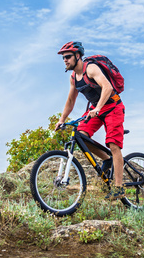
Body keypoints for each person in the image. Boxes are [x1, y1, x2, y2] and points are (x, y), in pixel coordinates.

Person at [54, 41, 126, 200]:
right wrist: (62, 120)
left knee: (113, 144)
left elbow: (107, 88)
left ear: (77, 56)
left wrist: (98, 108)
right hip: (95, 109)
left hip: (112, 106)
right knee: (81, 136)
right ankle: (107, 159)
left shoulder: (91, 69)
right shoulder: (73, 77)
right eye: (63, 58)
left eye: (68, 57)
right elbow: (71, 101)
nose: (65, 60)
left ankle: (119, 187)